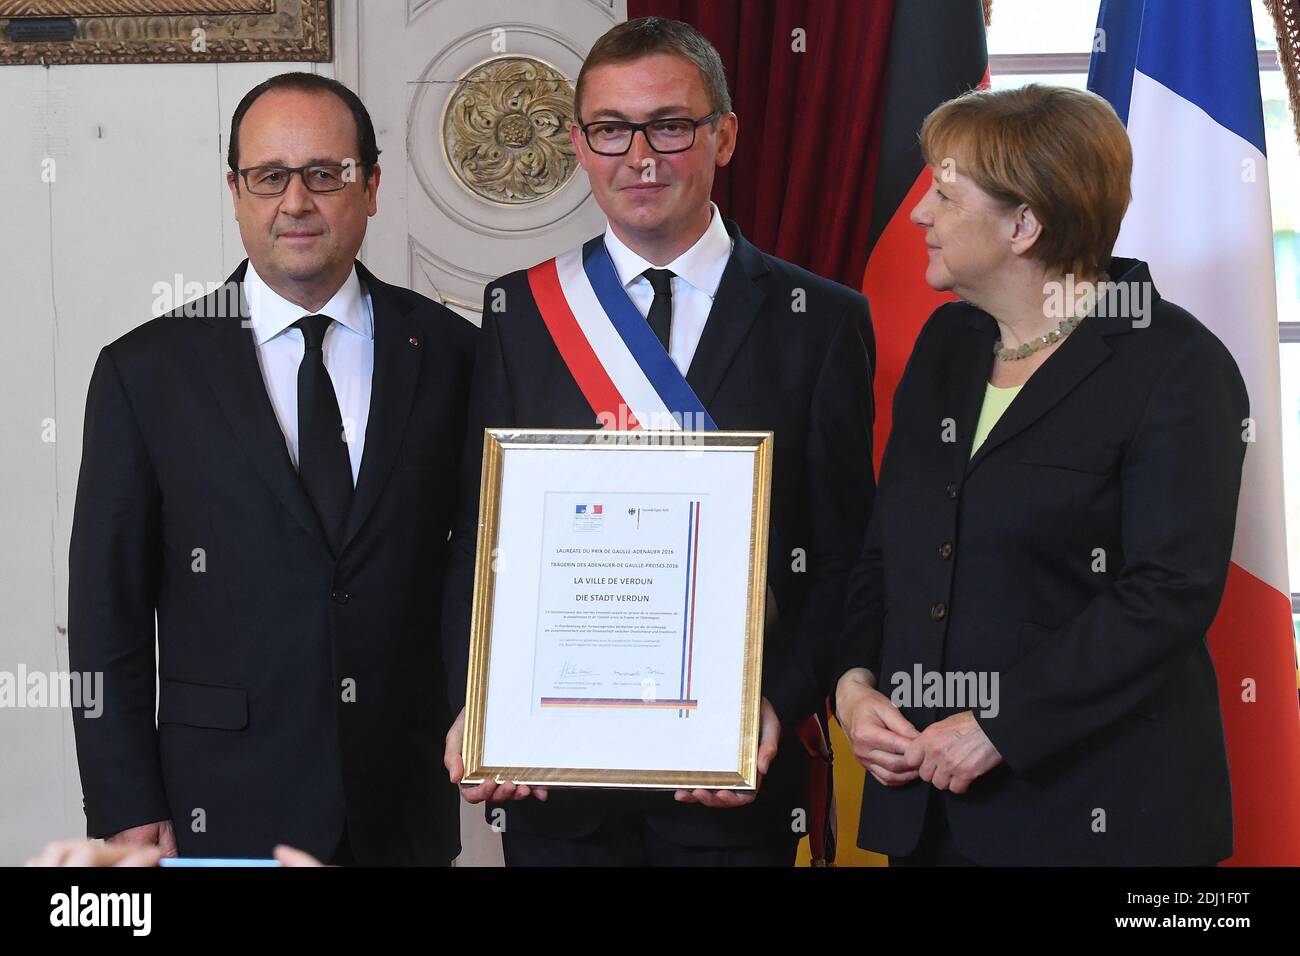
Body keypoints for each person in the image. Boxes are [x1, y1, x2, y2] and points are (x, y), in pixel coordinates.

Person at [442, 16, 875, 866]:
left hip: (732, 777)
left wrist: (777, 702)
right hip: (554, 783)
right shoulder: (520, 313)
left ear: (724, 135)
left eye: (670, 125)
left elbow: (842, 557)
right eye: (610, 129)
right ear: (577, 143)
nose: (640, 157)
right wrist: (481, 699)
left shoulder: (819, 321)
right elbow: (480, 539)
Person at [830, 84, 1247, 866]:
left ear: (1024, 225)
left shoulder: (1176, 365)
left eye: (945, 196)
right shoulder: (947, 346)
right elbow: (889, 548)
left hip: (1098, 821)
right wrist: (853, 687)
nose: (921, 215)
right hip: (926, 816)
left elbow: (1167, 593)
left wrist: (1001, 723)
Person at [68, 72, 475, 865]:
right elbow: (104, 610)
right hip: (218, 804)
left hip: (406, 799)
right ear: (235, 190)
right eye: (270, 177)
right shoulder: (145, 371)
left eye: (326, 174)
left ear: (372, 186)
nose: (297, 201)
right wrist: (125, 803)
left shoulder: (454, 353)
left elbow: (481, 565)